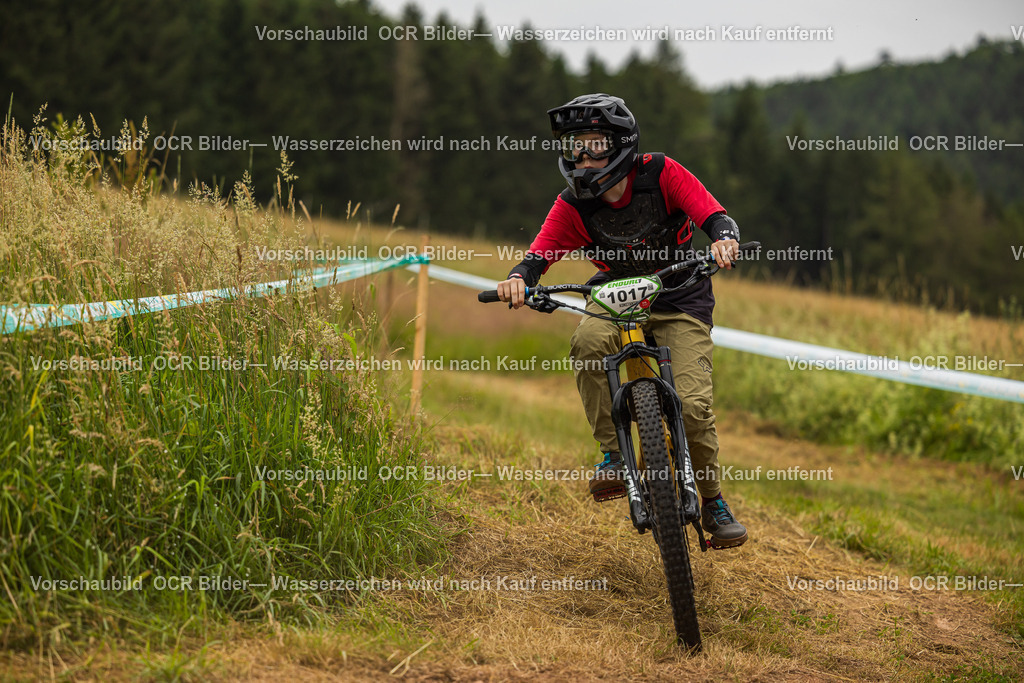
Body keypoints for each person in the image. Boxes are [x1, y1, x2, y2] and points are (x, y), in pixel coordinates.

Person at [496, 93, 747, 548]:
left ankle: (712, 501)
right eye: (574, 146)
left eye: (593, 145)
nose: (583, 157)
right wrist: (517, 279)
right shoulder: (573, 205)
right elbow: (536, 259)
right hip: (613, 296)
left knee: (692, 408)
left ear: (621, 144)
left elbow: (713, 215)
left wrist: (724, 240)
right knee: (588, 341)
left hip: (679, 296)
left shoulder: (662, 173)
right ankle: (613, 454)